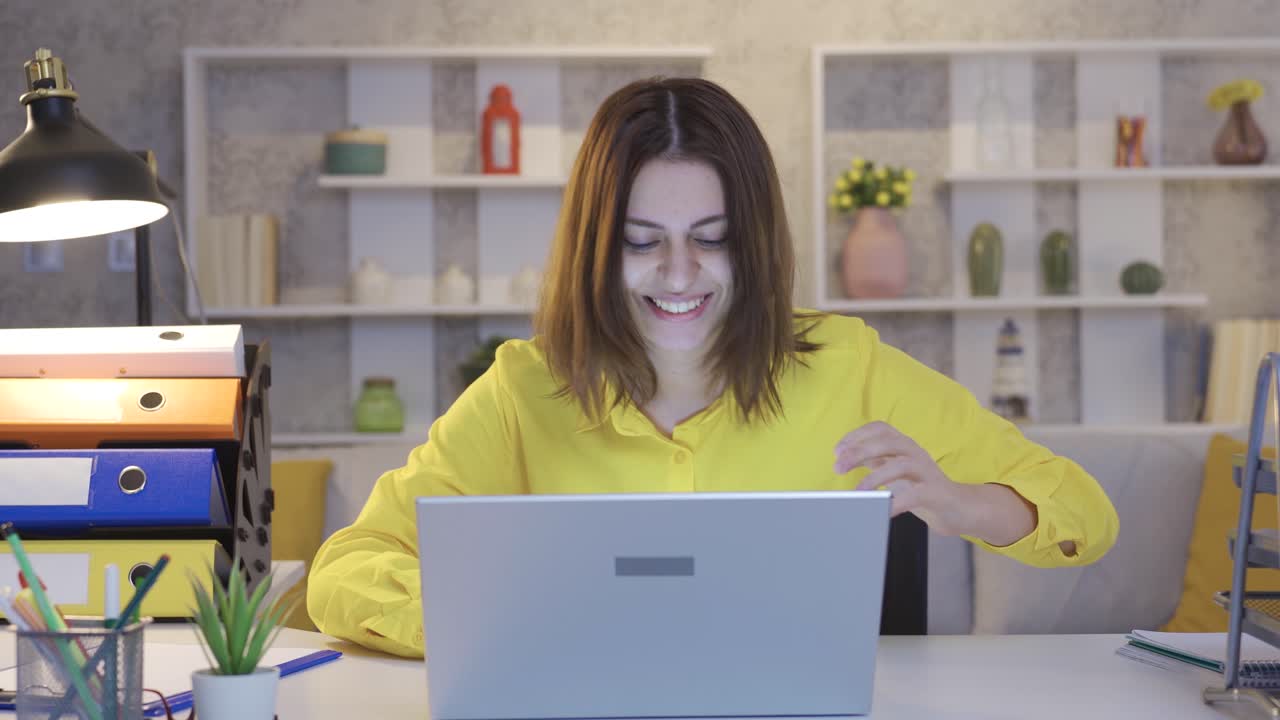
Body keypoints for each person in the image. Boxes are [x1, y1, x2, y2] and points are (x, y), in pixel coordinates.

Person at [307, 77, 1119, 658]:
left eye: (712, 234)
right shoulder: (525, 389)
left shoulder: (851, 365)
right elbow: (345, 569)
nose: (679, 270)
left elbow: (1084, 513)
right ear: (598, 247)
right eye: (640, 239)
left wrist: (960, 503)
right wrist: (486, 620)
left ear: (754, 239)